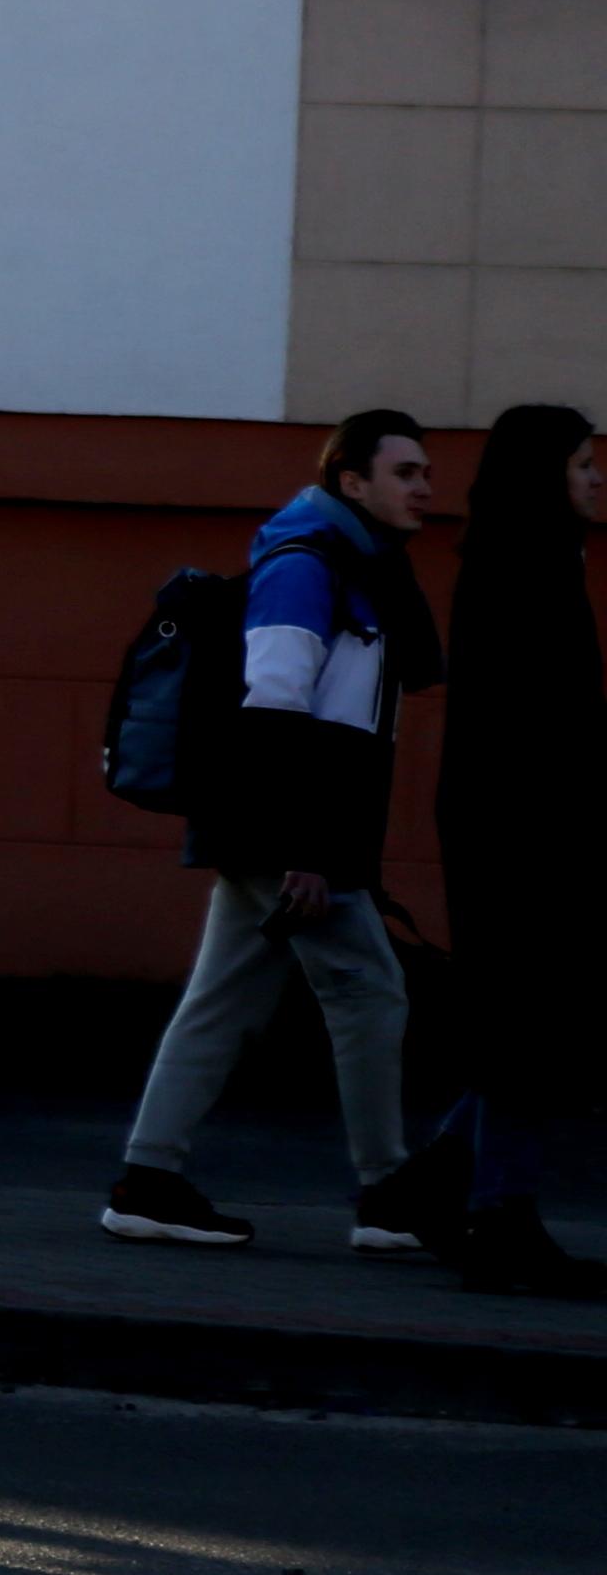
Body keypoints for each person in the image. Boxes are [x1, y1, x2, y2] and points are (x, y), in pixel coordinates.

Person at [104, 411, 443, 1252]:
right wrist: (308, 853)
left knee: (223, 1000)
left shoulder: (359, 568)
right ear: (350, 483)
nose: (425, 487)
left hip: (276, 828)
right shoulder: (303, 567)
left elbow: (423, 669)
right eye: (405, 473)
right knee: (369, 989)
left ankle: (148, 1180)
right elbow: (274, 709)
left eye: (425, 471)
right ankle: (386, 1191)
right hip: (284, 833)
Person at [415, 403, 598, 1292]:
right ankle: (500, 1219)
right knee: (525, 1018)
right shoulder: (525, 566)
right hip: (521, 824)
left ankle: (441, 1182)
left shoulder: (529, 556)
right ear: (544, 477)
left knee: (526, 1016)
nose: (595, 478)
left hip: (518, 816)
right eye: (581, 464)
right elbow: (542, 716)